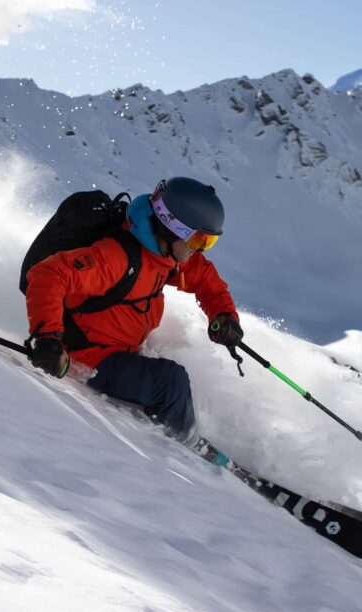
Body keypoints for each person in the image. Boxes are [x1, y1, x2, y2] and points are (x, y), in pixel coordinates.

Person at [23, 177, 244, 443]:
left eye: (207, 243)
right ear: (173, 227)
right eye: (199, 241)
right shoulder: (117, 258)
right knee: (171, 383)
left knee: (173, 363)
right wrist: (48, 338)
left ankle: (179, 425)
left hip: (121, 346)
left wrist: (225, 315)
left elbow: (205, 280)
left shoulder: (164, 253)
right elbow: (49, 274)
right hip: (88, 356)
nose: (199, 251)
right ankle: (187, 448)